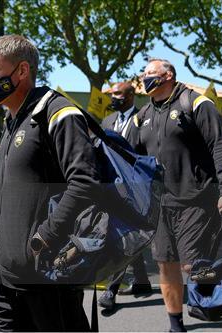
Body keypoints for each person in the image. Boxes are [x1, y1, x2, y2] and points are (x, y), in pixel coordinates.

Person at [0, 34, 99, 331]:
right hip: (2, 276)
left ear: (21, 71)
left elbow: (85, 182)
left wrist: (44, 238)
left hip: (45, 280)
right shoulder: (13, 119)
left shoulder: (58, 113)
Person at [131, 59, 222, 332]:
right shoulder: (142, 115)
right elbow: (129, 156)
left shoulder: (196, 103)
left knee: (193, 267)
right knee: (166, 266)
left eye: (150, 74)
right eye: (143, 75)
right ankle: (175, 325)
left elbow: (220, 147)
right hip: (159, 205)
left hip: (197, 201)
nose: (145, 79)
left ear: (168, 75)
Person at [98, 81, 152, 310]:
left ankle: (112, 289)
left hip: (137, 190)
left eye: (118, 94)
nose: (113, 97)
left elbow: (148, 154)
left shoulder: (144, 120)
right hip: (111, 188)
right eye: (112, 94)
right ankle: (141, 281)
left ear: (131, 96)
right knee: (128, 233)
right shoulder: (107, 121)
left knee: (122, 235)